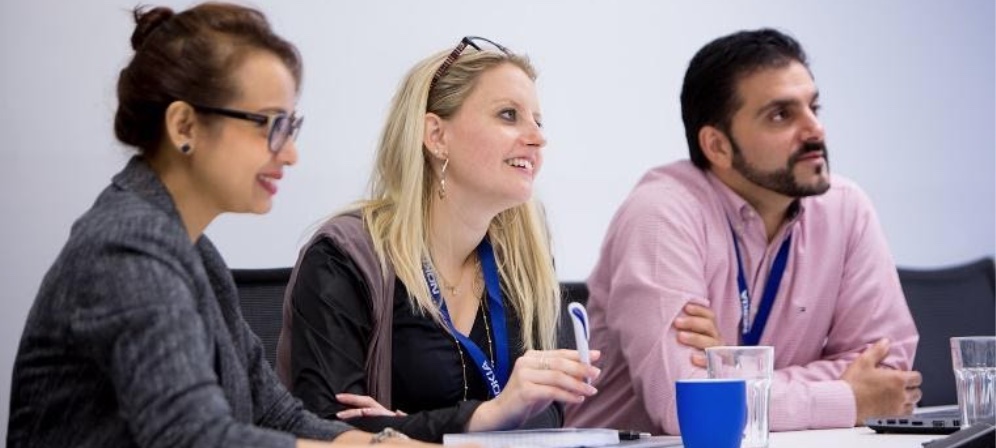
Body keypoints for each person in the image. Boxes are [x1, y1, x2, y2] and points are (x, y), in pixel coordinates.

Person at [7, 4, 424, 447]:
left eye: (290, 127)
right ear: (184, 125)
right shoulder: (127, 247)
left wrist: (387, 444)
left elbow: (274, 413)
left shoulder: (193, 250)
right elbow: (193, 437)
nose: (289, 153)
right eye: (269, 124)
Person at [564, 28, 921, 434]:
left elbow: (888, 376)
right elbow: (689, 408)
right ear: (717, 146)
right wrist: (846, 397)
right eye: (781, 115)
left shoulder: (845, 207)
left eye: (813, 108)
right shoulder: (662, 213)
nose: (814, 131)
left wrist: (732, 373)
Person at [276, 36, 601, 443]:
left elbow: (548, 417)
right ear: (436, 135)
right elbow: (327, 430)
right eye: (508, 115)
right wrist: (487, 416)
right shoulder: (344, 257)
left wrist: (404, 425)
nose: (536, 137)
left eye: (538, 120)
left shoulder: (522, 260)